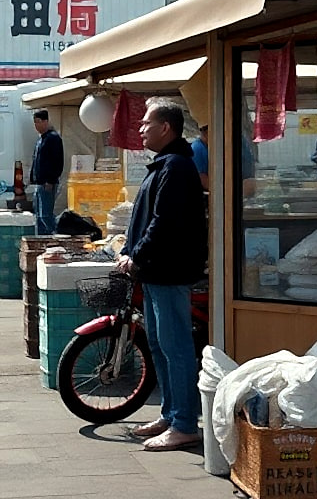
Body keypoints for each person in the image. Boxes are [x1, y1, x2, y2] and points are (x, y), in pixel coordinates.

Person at [117, 99, 206, 452]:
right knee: (159, 345)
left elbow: (163, 223)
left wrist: (137, 255)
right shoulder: (164, 165)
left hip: (168, 271)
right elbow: (146, 219)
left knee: (176, 347)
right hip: (154, 272)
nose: (140, 129)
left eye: (146, 123)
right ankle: (171, 414)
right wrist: (129, 250)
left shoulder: (177, 166)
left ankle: (185, 423)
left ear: (165, 127)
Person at [29, 109, 63, 234]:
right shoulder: (40, 140)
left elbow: (57, 161)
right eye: (35, 123)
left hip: (47, 183)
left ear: (46, 121)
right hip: (39, 183)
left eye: (38, 122)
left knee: (45, 215)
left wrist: (51, 180)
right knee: (38, 216)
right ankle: (41, 240)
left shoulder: (53, 138)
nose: (36, 125)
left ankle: (56, 235)